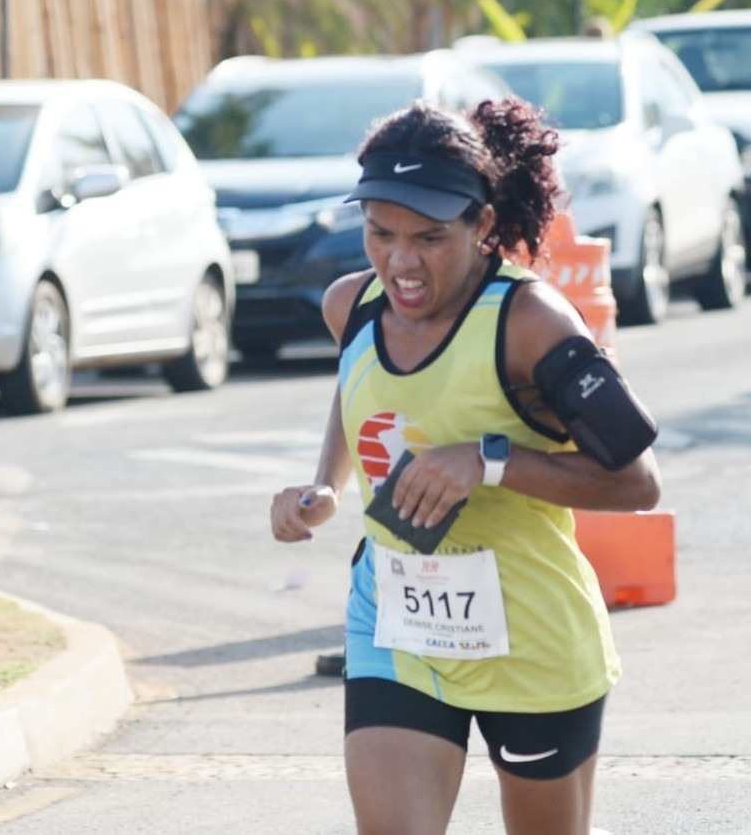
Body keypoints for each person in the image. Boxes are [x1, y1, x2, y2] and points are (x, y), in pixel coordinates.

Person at [270, 97, 661, 835]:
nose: (400, 261)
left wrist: (489, 462)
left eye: (428, 237)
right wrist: (326, 483)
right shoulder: (349, 306)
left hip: (532, 635)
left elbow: (638, 481)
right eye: (380, 233)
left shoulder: (530, 323)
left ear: (482, 227)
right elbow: (359, 388)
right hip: (398, 622)